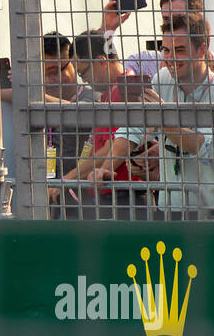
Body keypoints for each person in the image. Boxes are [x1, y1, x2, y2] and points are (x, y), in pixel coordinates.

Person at [91, 14, 214, 217]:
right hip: (173, 210)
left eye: (179, 50)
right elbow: (133, 128)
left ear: (201, 49)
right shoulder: (162, 79)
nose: (170, 58)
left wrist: (162, 120)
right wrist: (105, 169)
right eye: (166, 49)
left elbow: (207, 149)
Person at [63, 32, 153, 218]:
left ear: (101, 61)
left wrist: (69, 178)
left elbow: (111, 147)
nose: (84, 79)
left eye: (84, 72)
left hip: (124, 195)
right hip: (114, 191)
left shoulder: (124, 90)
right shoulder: (109, 91)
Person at [102, 0, 214, 80]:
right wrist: (107, 30)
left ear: (198, 18)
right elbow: (107, 77)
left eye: (178, 18)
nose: (171, 26)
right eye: (166, 19)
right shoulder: (144, 62)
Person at [41, 32, 100, 215]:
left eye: (55, 71)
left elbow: (75, 111)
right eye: (43, 73)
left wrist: (32, 97)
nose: (51, 79)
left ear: (73, 63)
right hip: (53, 201)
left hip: (89, 202)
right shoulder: (40, 101)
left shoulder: (94, 98)